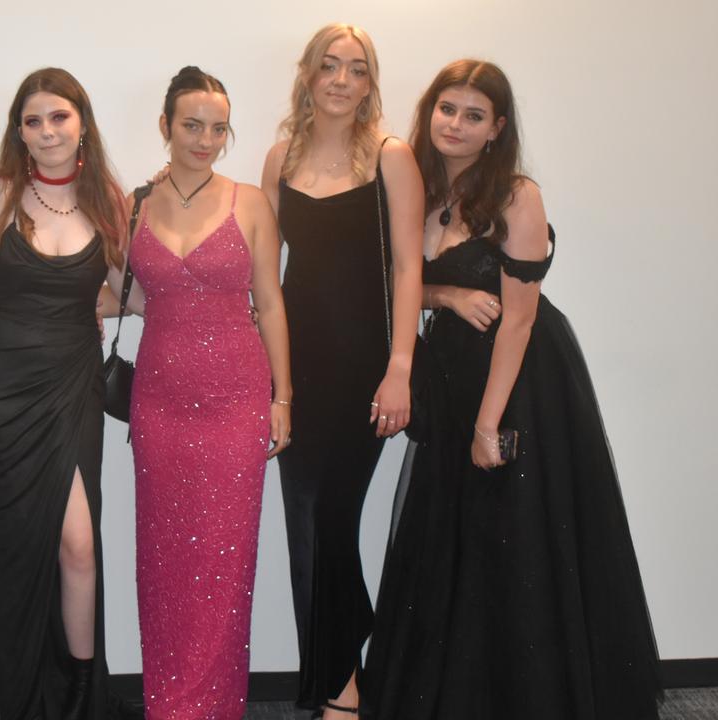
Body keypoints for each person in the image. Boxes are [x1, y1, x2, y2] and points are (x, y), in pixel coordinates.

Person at [360, 58, 662, 720]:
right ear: (428, 112)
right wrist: (445, 293)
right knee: (455, 538)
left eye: (473, 115)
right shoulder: (414, 185)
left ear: (496, 128)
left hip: (520, 381)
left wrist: (485, 424)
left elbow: (519, 317)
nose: (456, 124)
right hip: (448, 373)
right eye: (447, 109)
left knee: (516, 535)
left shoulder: (516, 196)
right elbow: (392, 277)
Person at [0, 67, 127, 720]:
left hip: (74, 387)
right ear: (17, 131)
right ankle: (26, 700)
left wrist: (97, 302)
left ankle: (81, 697)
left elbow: (131, 292)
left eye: (58, 116)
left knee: (78, 545)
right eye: (33, 120)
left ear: (81, 122)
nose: (47, 130)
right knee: (19, 549)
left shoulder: (106, 198)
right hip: (4, 392)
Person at [258, 23, 424, 718]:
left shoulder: (390, 157)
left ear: (369, 83)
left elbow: (409, 267)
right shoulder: (278, 157)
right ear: (307, 75)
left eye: (355, 70)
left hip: (365, 366)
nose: (340, 80)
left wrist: (399, 368)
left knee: (330, 517)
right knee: (305, 523)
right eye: (328, 66)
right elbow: (263, 275)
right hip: (297, 364)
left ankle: (340, 682)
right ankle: (341, 681)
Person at [124, 66, 291, 720]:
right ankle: (166, 702)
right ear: (164, 125)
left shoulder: (249, 202)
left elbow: (272, 305)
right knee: (163, 557)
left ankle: (215, 706)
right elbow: (126, 293)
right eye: (191, 125)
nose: (205, 139)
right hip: (158, 397)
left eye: (218, 128)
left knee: (223, 562)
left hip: (235, 398)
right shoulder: (132, 204)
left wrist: (283, 398)